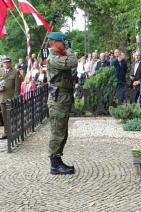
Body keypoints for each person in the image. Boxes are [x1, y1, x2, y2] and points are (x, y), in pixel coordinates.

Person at [46, 32, 78, 175]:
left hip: (62, 99)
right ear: (54, 43)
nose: (64, 44)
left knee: (62, 132)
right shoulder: (53, 58)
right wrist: (70, 50)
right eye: (62, 42)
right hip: (58, 101)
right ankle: (54, 165)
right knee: (57, 132)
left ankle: (58, 161)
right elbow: (72, 62)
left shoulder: (59, 55)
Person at [0, 56, 21, 139]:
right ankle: (6, 132)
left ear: (10, 63)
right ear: (2, 63)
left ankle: (14, 131)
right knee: (4, 116)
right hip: (2, 98)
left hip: (11, 97)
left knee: (13, 115)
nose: (6, 64)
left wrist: (15, 98)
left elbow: (17, 87)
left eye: (7, 62)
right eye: (4, 63)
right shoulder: (0, 72)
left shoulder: (15, 72)